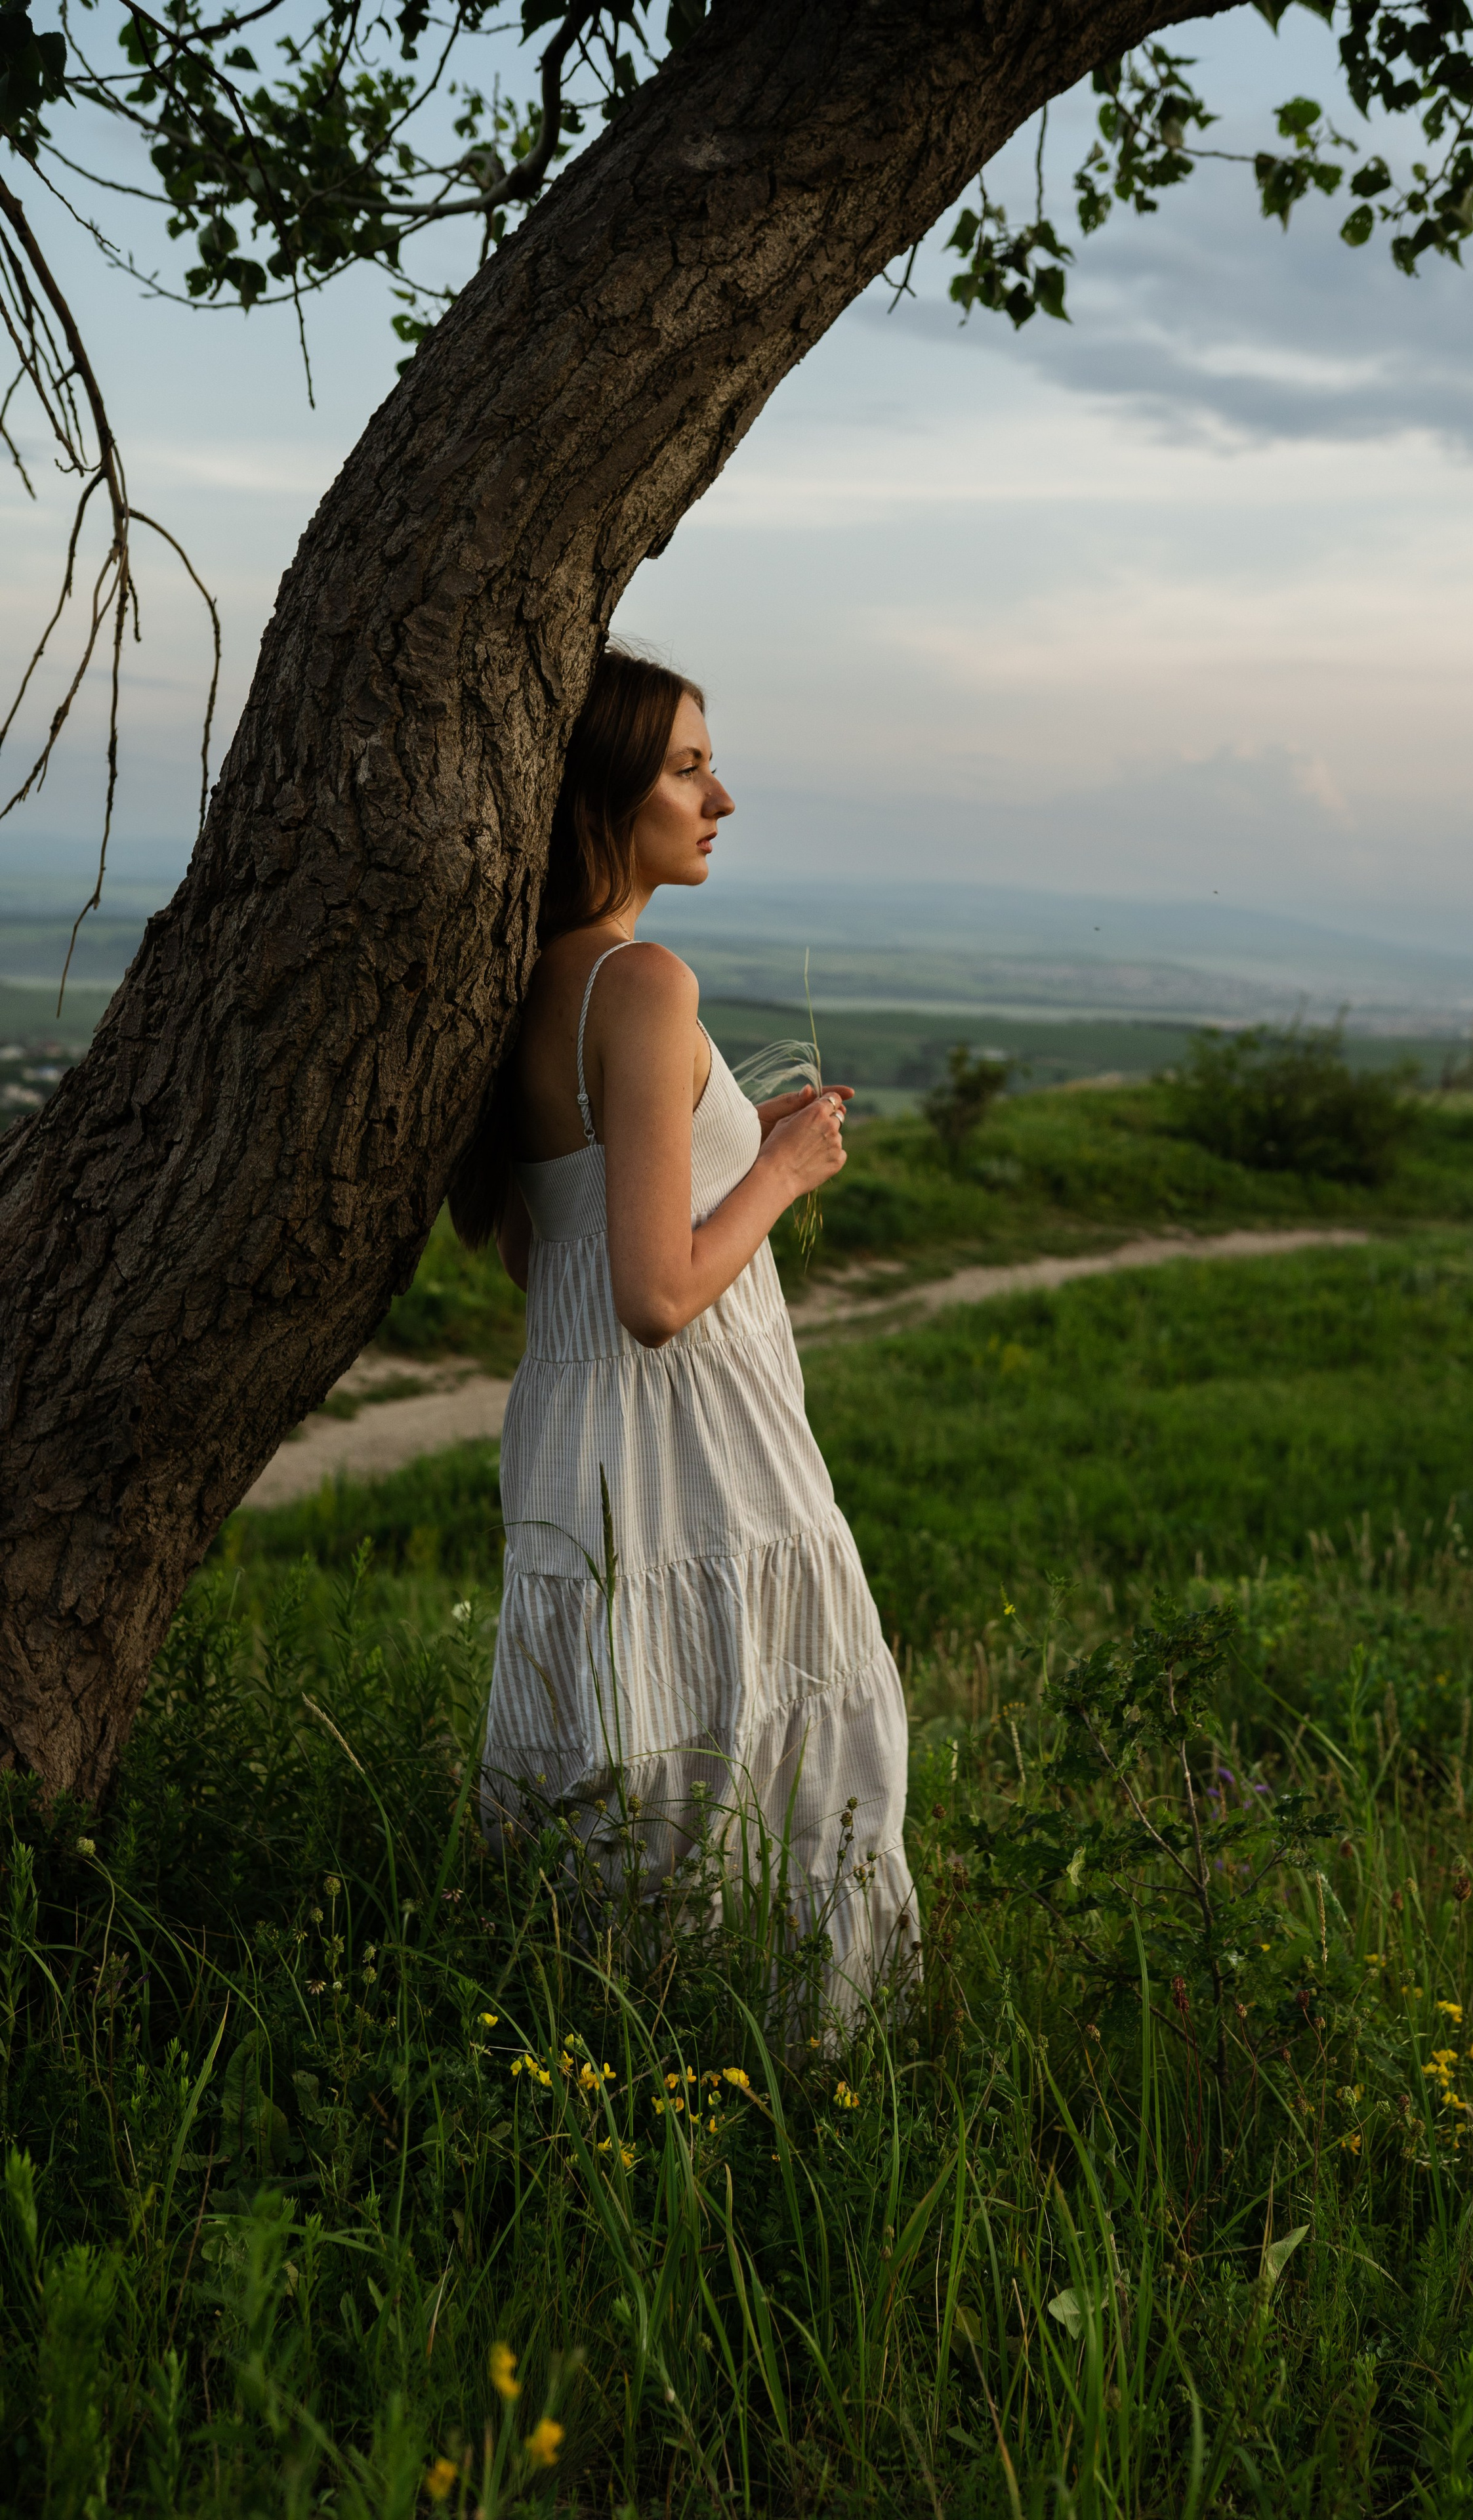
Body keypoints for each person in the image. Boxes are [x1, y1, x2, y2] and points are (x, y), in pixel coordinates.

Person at [450, 644, 918, 2011]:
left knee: (616, 1758)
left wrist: (730, 1156)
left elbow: (565, 1259)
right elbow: (655, 1298)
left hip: (576, 1438)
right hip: (698, 1441)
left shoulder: (532, 983)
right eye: (687, 767)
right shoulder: (642, 984)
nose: (722, 799)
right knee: (788, 1759)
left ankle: (601, 2046)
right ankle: (803, 2088)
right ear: (606, 793)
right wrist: (781, 1172)